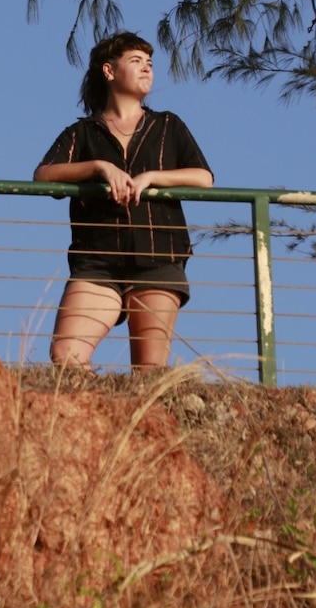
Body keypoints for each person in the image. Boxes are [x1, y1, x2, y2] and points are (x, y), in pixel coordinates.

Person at [34, 32, 213, 372]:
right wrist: (100, 167)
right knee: (66, 357)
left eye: (150, 63)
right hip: (97, 261)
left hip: (159, 257)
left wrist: (152, 178)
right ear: (109, 71)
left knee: (148, 372)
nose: (147, 69)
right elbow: (44, 175)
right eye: (136, 61)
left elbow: (203, 176)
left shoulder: (168, 125)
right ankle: (95, 418)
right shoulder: (82, 132)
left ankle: (136, 424)